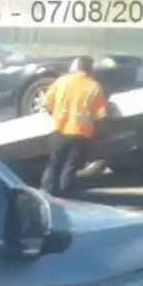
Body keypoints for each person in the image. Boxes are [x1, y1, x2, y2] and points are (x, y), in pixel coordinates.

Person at [40, 57, 109, 196]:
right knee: (70, 167)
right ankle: (66, 197)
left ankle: (47, 195)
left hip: (59, 129)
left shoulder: (61, 81)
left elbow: (47, 104)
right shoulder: (94, 86)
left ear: (77, 67)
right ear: (90, 69)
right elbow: (100, 115)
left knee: (53, 164)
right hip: (81, 133)